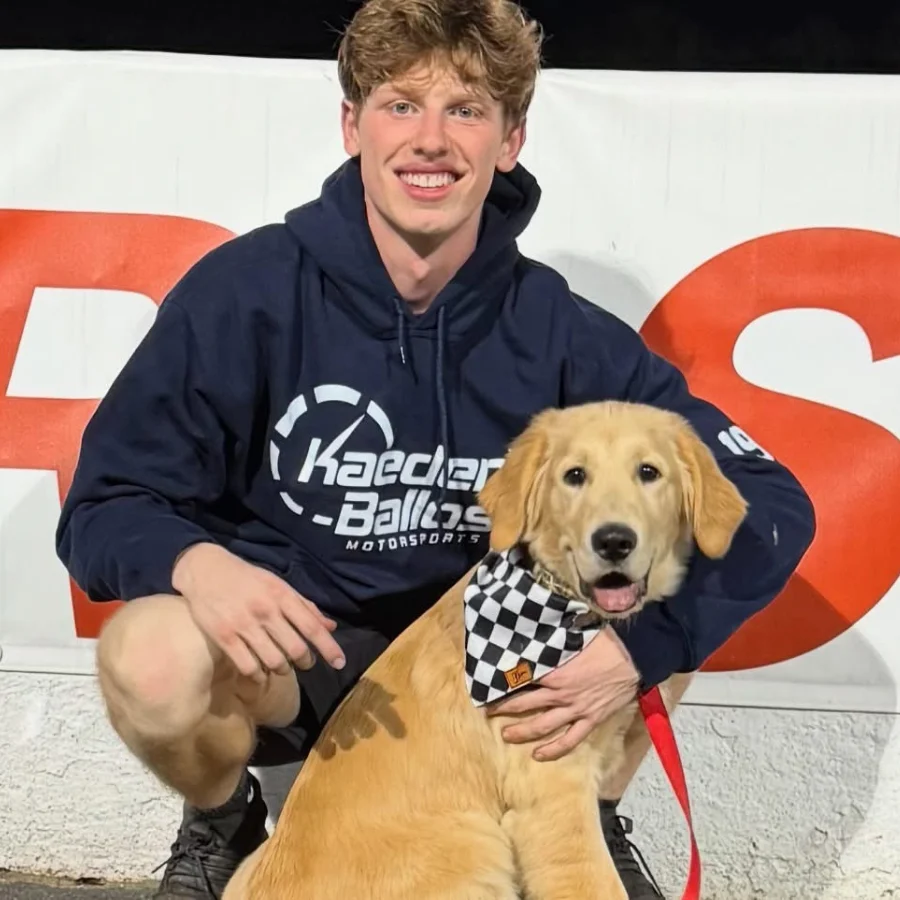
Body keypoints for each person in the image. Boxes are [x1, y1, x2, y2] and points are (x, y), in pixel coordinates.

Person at [55, 0, 816, 897]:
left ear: (510, 140)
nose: (431, 140)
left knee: (650, 553)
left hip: (475, 678)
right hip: (298, 666)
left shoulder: (560, 331)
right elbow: (104, 505)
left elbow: (768, 500)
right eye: (400, 105)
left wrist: (643, 649)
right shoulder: (246, 293)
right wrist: (195, 562)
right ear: (352, 126)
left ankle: (582, 815)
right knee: (151, 654)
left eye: (465, 111)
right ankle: (225, 820)